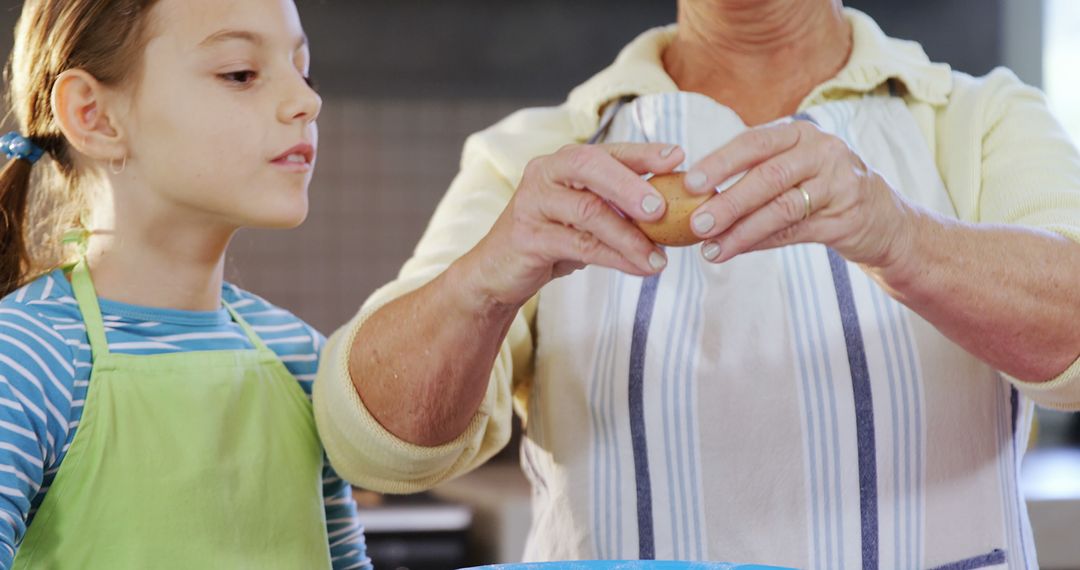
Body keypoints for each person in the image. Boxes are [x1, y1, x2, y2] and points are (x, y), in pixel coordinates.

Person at [313, 0, 1080, 568]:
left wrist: (903, 237)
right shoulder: (535, 155)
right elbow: (373, 445)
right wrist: (484, 278)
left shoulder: (976, 121)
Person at [0, 0, 370, 568]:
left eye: (303, 70)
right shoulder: (26, 361)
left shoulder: (304, 359)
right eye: (240, 74)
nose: (307, 100)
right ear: (94, 116)